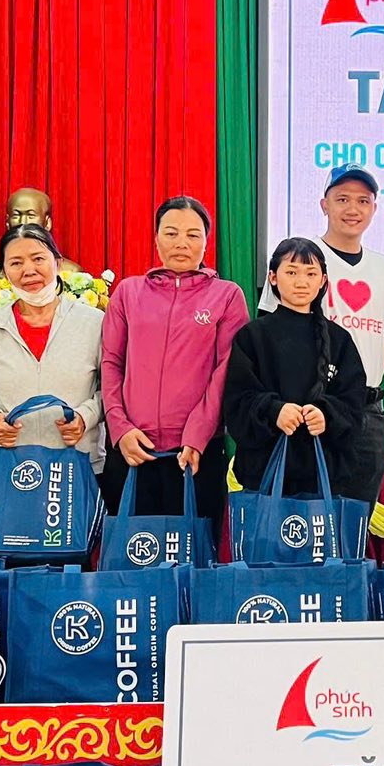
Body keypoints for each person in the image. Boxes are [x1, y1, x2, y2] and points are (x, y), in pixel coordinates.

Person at [98, 196, 247, 526]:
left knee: (194, 552)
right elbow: (111, 363)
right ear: (156, 239)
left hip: (197, 453)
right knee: (132, 551)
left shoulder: (227, 296)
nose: (182, 243)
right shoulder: (128, 292)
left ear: (206, 242)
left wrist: (197, 435)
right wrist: (120, 429)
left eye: (193, 235)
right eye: (171, 233)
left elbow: (226, 370)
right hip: (132, 450)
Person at [257, 165, 384, 505]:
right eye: (342, 199)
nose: (353, 209)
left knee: (357, 517)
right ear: (324, 205)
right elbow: (270, 335)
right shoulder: (301, 260)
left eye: (363, 201)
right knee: (305, 517)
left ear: (374, 209)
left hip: (366, 411)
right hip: (307, 411)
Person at [226, 238, 369, 508]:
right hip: (264, 474)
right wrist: (274, 410)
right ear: (273, 277)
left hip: (325, 475)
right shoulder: (252, 336)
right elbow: (237, 400)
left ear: (323, 281)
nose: (301, 282)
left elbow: (354, 402)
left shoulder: (339, 339)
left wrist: (327, 415)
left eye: (311, 274)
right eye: (291, 272)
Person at [0, 224, 106, 476]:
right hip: (14, 468)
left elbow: (109, 390)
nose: (29, 270)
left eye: (38, 259)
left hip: (79, 466)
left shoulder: (94, 322)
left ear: (58, 263)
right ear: (3, 273)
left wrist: (86, 417)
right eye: (16, 263)